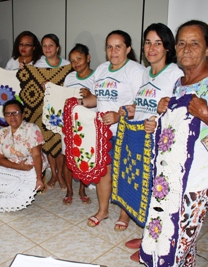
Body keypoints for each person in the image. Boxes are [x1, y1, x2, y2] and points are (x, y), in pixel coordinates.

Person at [141, 20, 208, 266]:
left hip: (197, 181)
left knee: (175, 245)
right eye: (181, 43)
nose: (186, 49)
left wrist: (207, 114)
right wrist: (163, 113)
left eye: (194, 43)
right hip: (170, 179)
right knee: (181, 244)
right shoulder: (180, 83)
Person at [118, 23, 184, 262]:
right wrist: (129, 111)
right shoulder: (146, 73)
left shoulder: (175, 74)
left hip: (163, 145)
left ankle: (154, 246)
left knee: (160, 196)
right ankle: (148, 234)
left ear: (167, 46)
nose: (152, 47)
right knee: (145, 192)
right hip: (142, 143)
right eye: (148, 42)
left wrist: (159, 121)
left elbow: (180, 113)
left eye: (158, 42)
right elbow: (146, 107)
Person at [81, 30, 145, 227]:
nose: (113, 51)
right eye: (110, 47)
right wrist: (77, 103)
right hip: (102, 133)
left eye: (118, 46)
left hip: (127, 132)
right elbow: (95, 100)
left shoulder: (136, 71)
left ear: (128, 48)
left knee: (125, 175)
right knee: (103, 173)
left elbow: (143, 105)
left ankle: (125, 215)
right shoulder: (101, 70)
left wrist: (119, 115)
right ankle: (103, 210)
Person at [35, 33, 70, 191]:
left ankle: (61, 174)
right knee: (49, 143)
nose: (47, 48)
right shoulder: (38, 65)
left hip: (62, 111)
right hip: (45, 110)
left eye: (51, 45)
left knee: (60, 144)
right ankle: (54, 174)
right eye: (44, 45)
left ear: (57, 47)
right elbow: (31, 85)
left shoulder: (68, 66)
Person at [61, 43, 95, 205]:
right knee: (68, 158)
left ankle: (82, 189)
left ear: (88, 58)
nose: (76, 63)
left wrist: (90, 95)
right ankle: (69, 190)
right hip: (69, 125)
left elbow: (100, 101)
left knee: (83, 158)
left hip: (87, 127)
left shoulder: (96, 77)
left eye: (79, 59)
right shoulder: (70, 77)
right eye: (72, 61)